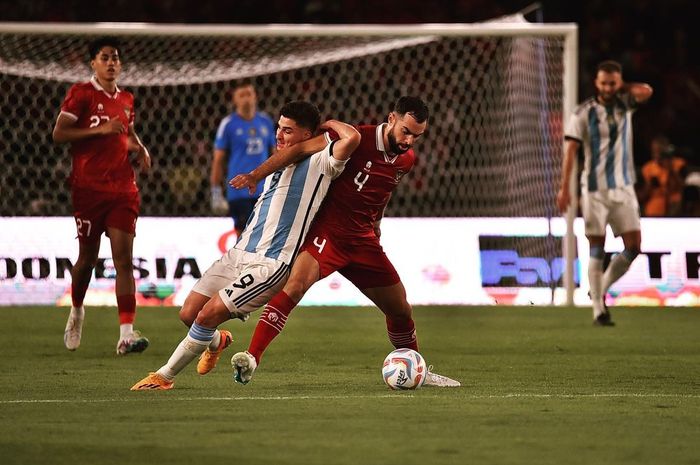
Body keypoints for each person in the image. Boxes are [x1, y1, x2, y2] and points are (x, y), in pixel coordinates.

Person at [230, 96, 460, 387]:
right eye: (406, 130)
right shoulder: (355, 137)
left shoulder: (405, 160)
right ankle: (251, 358)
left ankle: (416, 368)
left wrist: (376, 226)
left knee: (401, 309)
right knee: (295, 286)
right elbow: (298, 149)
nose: (410, 140)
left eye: (417, 135)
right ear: (391, 119)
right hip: (327, 234)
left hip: (363, 241)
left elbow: (382, 192)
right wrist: (255, 174)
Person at [131, 101, 360, 390]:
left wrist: (327, 125)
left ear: (307, 135)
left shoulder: (322, 162)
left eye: (287, 131)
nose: (278, 135)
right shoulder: (278, 159)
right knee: (189, 314)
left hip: (271, 264)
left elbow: (352, 137)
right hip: (238, 253)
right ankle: (218, 341)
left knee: (207, 315)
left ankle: (164, 377)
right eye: (278, 127)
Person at [53, 37, 152, 354]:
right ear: (93, 63)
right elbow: (59, 134)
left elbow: (127, 132)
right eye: (105, 57)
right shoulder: (80, 94)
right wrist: (99, 130)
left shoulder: (126, 98)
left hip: (123, 189)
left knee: (124, 260)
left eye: (116, 58)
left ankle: (126, 334)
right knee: (87, 259)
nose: (111, 63)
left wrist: (140, 148)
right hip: (88, 189)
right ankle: (77, 310)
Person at [557, 60, 653, 326]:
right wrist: (565, 188)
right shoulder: (583, 113)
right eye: (604, 83)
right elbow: (571, 153)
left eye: (613, 83)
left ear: (618, 83)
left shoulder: (626, 104)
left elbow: (647, 91)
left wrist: (625, 87)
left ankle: (599, 288)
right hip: (595, 191)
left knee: (634, 248)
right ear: (596, 83)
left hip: (624, 188)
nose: (609, 87)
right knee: (597, 248)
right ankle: (599, 308)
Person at [210, 80, 276, 236]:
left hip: (264, 188)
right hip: (239, 190)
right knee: (243, 236)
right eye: (241, 95)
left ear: (255, 97)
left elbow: (276, 154)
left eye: (249, 94)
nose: (246, 98)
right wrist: (216, 191)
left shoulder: (265, 121)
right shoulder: (228, 124)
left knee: (265, 234)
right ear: (235, 99)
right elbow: (218, 159)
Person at [640, 135, 687, 217]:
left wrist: (671, 169)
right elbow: (642, 195)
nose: (656, 155)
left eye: (659, 151)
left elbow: (683, 187)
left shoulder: (679, 164)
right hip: (655, 205)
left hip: (675, 203)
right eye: (654, 151)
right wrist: (650, 185)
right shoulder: (647, 168)